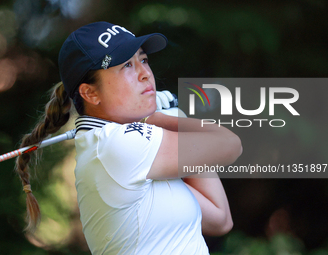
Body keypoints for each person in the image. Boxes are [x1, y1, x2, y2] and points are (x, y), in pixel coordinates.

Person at [15, 21, 242, 254]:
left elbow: (220, 218)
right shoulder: (115, 146)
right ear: (90, 93)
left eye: (143, 60)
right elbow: (230, 144)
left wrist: (170, 119)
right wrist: (161, 119)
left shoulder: (132, 152)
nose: (145, 74)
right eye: (126, 66)